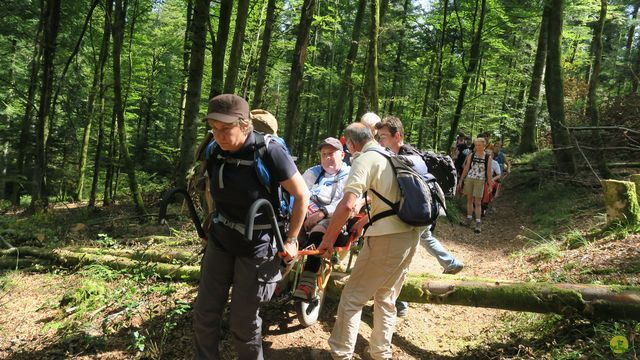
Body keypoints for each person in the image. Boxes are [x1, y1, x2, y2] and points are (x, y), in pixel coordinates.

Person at [193, 94, 310, 360]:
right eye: (213, 127)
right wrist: (211, 220)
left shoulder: (269, 151)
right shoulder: (213, 149)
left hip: (257, 243)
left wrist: (291, 239)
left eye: (225, 128)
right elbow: (212, 188)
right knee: (204, 314)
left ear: (245, 125)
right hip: (222, 239)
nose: (218, 134)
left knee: (243, 322)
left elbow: (302, 195)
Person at [317, 123, 423, 360]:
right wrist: (364, 221)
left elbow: (346, 204)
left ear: (351, 143)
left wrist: (328, 239)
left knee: (352, 297)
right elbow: (391, 201)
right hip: (409, 235)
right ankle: (380, 354)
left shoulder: (364, 159)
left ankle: (340, 354)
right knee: (386, 298)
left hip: (386, 238)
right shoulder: (389, 155)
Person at [375, 117, 464, 318]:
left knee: (400, 258)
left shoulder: (406, 157)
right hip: (419, 212)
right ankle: (450, 262)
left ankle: (401, 302)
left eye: (384, 137)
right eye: (379, 137)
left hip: (416, 213)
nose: (381, 142)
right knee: (410, 252)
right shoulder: (403, 154)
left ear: (397, 136)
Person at [294, 137, 352, 300]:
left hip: (334, 219)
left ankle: (307, 281)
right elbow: (298, 195)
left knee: (321, 228)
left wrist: (322, 213)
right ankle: (279, 277)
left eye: (331, 154)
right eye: (323, 154)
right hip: (306, 215)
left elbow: (346, 203)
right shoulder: (313, 172)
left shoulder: (349, 175)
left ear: (342, 155)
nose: (327, 158)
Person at [457, 137, 495, 234]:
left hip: (480, 181)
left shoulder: (488, 157)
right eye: (476, 145)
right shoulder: (471, 155)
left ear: (484, 146)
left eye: (479, 145)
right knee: (469, 200)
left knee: (478, 202)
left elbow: (489, 172)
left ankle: (478, 223)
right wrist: (461, 180)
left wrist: (490, 185)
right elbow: (466, 168)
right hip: (470, 179)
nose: (477, 147)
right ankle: (469, 219)